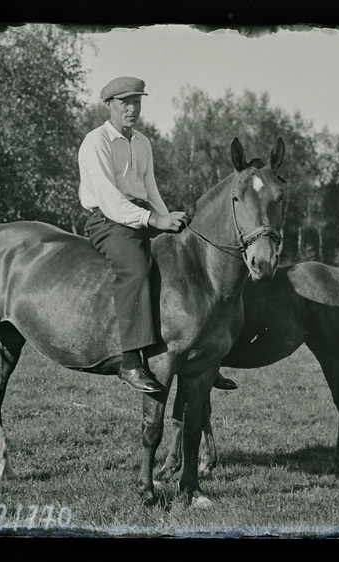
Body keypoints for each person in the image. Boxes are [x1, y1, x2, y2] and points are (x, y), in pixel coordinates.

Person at [79, 76, 238, 392]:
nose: (132, 109)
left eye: (137, 102)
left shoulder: (142, 142)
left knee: (186, 262)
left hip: (141, 216)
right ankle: (130, 361)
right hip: (108, 221)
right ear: (109, 106)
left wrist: (167, 219)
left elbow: (149, 188)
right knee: (136, 269)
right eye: (125, 103)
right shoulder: (95, 142)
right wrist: (153, 219)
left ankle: (201, 356)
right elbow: (110, 201)